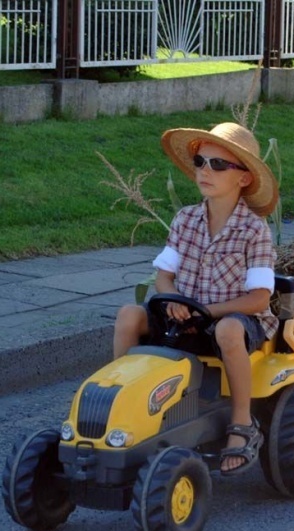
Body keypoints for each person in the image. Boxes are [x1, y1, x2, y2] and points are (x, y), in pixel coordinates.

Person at [113, 122, 279, 476]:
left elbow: (259, 299)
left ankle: (241, 423)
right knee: (129, 314)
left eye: (218, 165)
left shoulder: (254, 230)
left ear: (244, 178)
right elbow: (164, 274)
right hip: (184, 316)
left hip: (233, 319)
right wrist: (171, 297)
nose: (205, 171)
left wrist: (207, 310)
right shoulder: (185, 219)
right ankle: (122, 403)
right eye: (201, 162)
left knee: (228, 332)